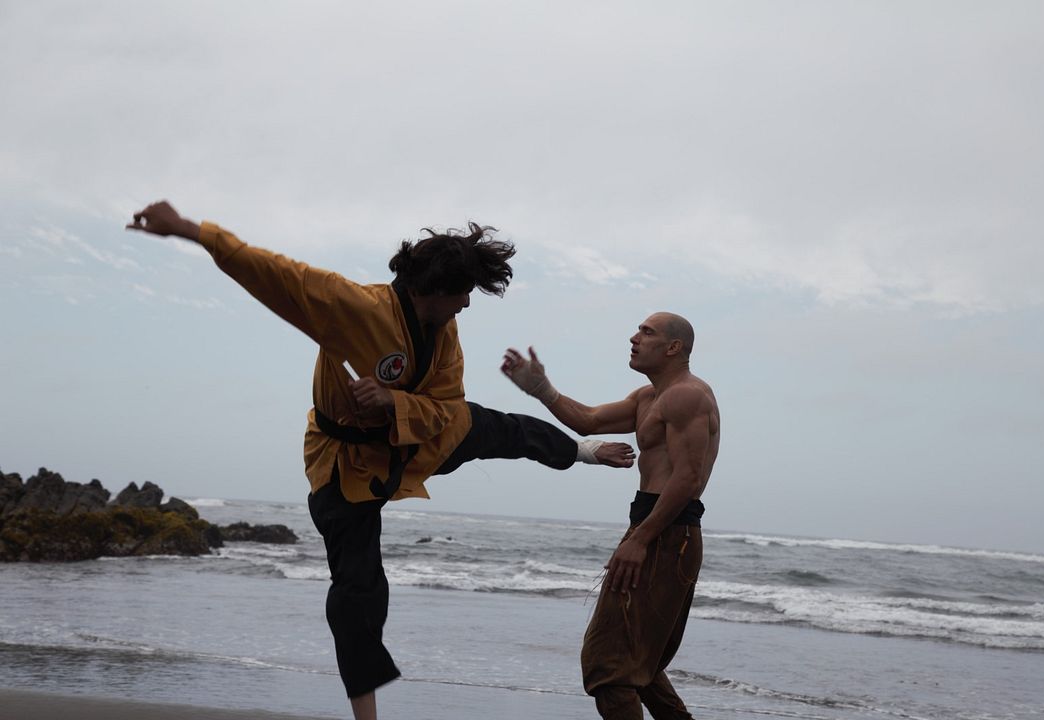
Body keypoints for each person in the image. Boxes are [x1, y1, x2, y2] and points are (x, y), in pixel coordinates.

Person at [126, 201, 635, 720]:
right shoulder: (354, 307)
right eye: (462, 294)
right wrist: (186, 229)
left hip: (419, 438)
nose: (466, 305)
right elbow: (273, 271)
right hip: (344, 464)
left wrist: (393, 402)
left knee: (501, 428)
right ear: (431, 289)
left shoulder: (445, 330)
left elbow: (446, 406)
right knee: (358, 590)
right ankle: (366, 716)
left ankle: (581, 449)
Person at [502, 312, 719, 720]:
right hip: (655, 528)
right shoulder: (649, 397)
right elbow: (588, 420)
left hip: (668, 533)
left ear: (674, 348)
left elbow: (688, 478)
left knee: (609, 667)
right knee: (642, 664)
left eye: (647, 332)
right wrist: (541, 389)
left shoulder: (687, 396)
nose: (633, 337)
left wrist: (640, 540)